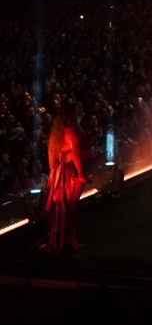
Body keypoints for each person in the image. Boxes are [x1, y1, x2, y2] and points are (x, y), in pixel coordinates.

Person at [39, 108, 85, 253]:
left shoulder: (54, 134)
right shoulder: (69, 131)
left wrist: (53, 174)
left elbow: (51, 157)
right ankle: (69, 237)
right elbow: (76, 154)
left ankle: (62, 236)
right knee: (70, 206)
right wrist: (81, 174)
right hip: (68, 173)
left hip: (57, 174)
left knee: (60, 206)